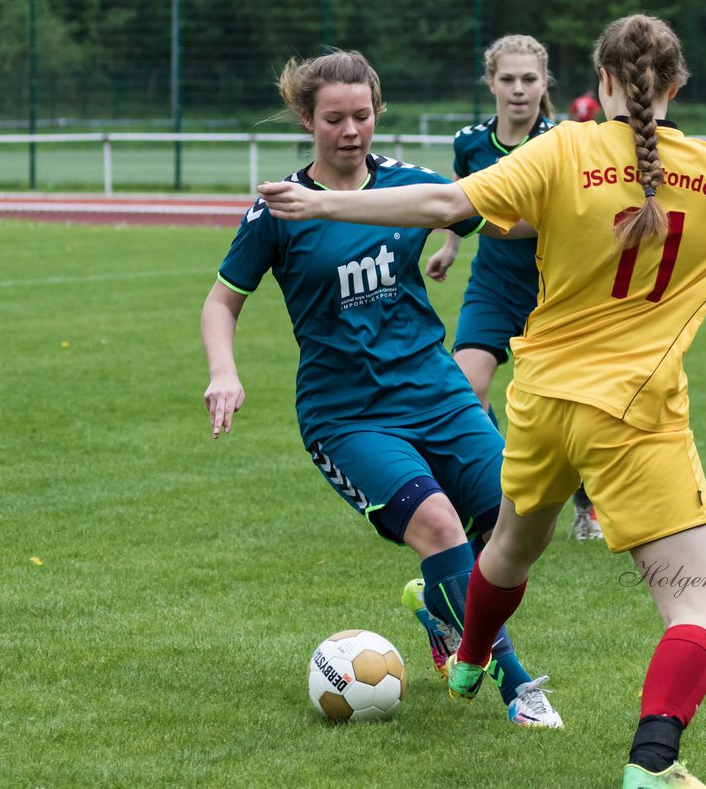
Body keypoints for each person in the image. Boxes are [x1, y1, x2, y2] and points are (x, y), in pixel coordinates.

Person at [259, 15, 706, 789]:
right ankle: (653, 765)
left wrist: (324, 205)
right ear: (676, 86)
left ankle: (470, 659)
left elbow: (449, 205)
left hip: (541, 401)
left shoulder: (564, 146)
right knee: (698, 611)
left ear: (600, 81)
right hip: (632, 416)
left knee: (508, 547)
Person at [200, 50, 562, 728]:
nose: (350, 131)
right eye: (333, 118)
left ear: (377, 113)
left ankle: (437, 608)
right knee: (438, 525)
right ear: (307, 119)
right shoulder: (278, 209)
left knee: (517, 524)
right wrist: (225, 371)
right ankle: (516, 684)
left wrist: (596, 212)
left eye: (361, 116)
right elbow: (222, 303)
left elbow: (511, 224)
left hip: (439, 392)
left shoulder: (411, 187)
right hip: (349, 416)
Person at [423, 35, 600, 543]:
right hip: (494, 287)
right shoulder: (470, 142)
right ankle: (490, 501)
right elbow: (462, 200)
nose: (518, 89)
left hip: (557, 292)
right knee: (465, 389)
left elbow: (557, 216)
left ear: (544, 83)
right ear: (491, 83)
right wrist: (450, 246)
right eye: (508, 79)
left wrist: (481, 221)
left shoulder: (565, 142)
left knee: (568, 411)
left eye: (528, 80)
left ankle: (584, 501)